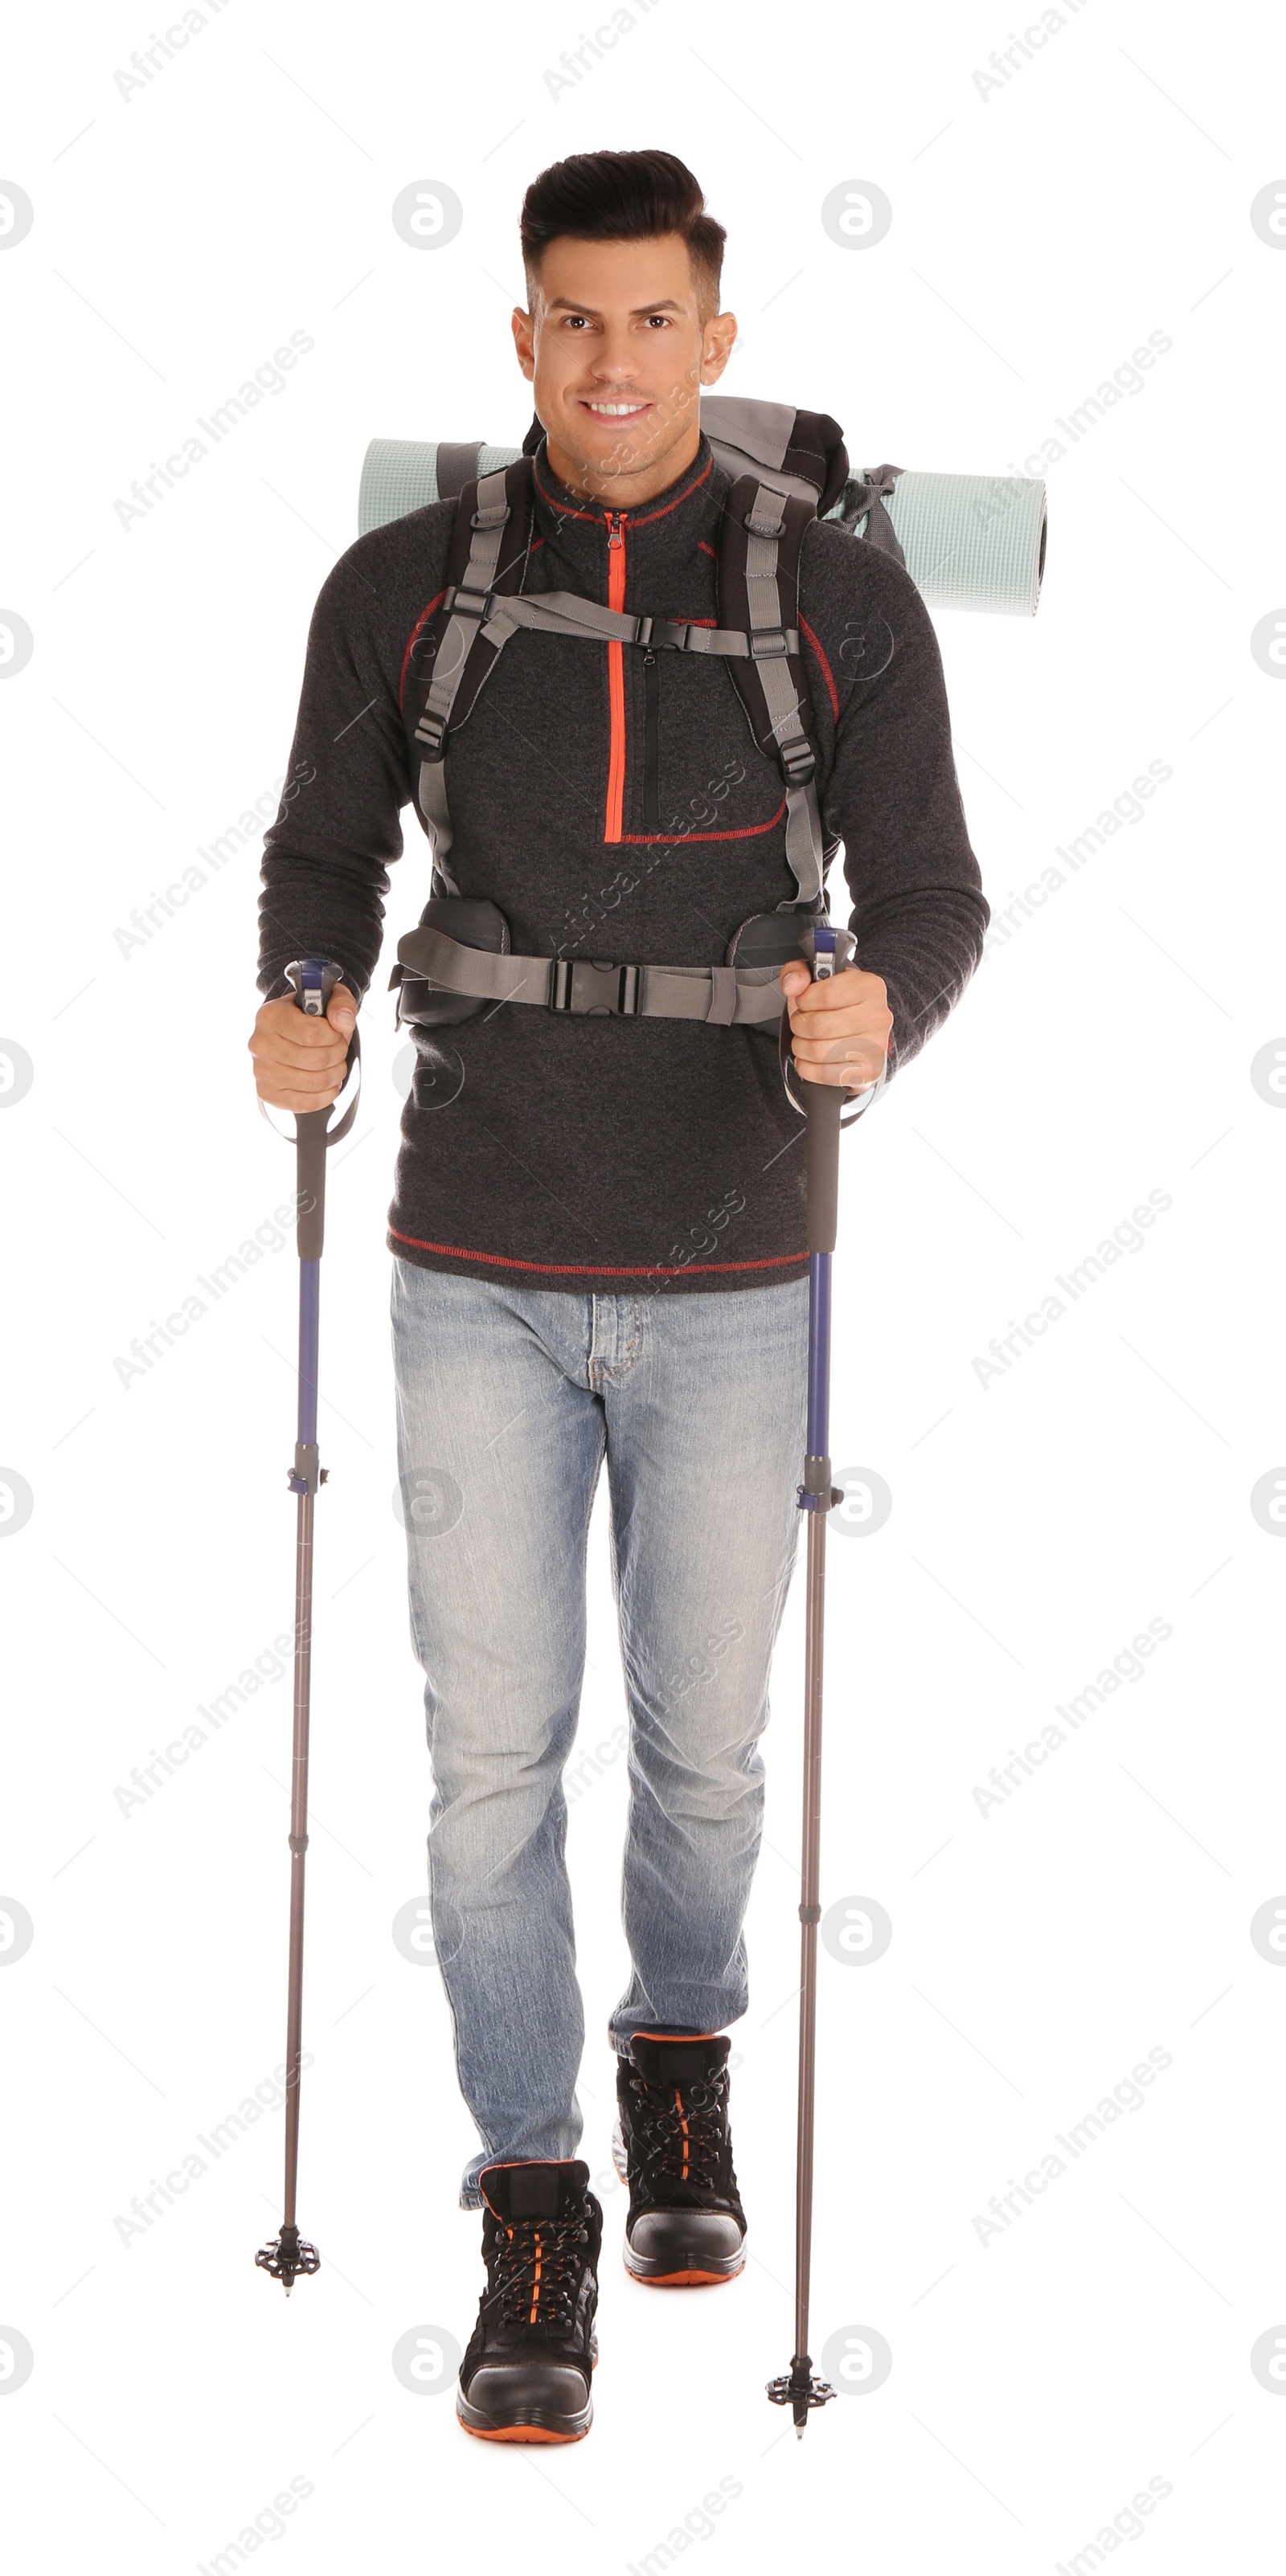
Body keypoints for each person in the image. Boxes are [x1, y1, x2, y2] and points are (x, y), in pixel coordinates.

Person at [250, 148, 988, 2445]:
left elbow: (934, 892)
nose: (613, 362)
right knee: (488, 1770)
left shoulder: (842, 598)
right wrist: (303, 987)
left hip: (739, 1252)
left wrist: (889, 1017)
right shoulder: (405, 586)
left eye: (653, 320)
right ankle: (532, 2190)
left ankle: (679, 2059)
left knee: (704, 1756)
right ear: (521, 339)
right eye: (574, 320)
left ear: (718, 338)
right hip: (469, 1252)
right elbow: (319, 853)